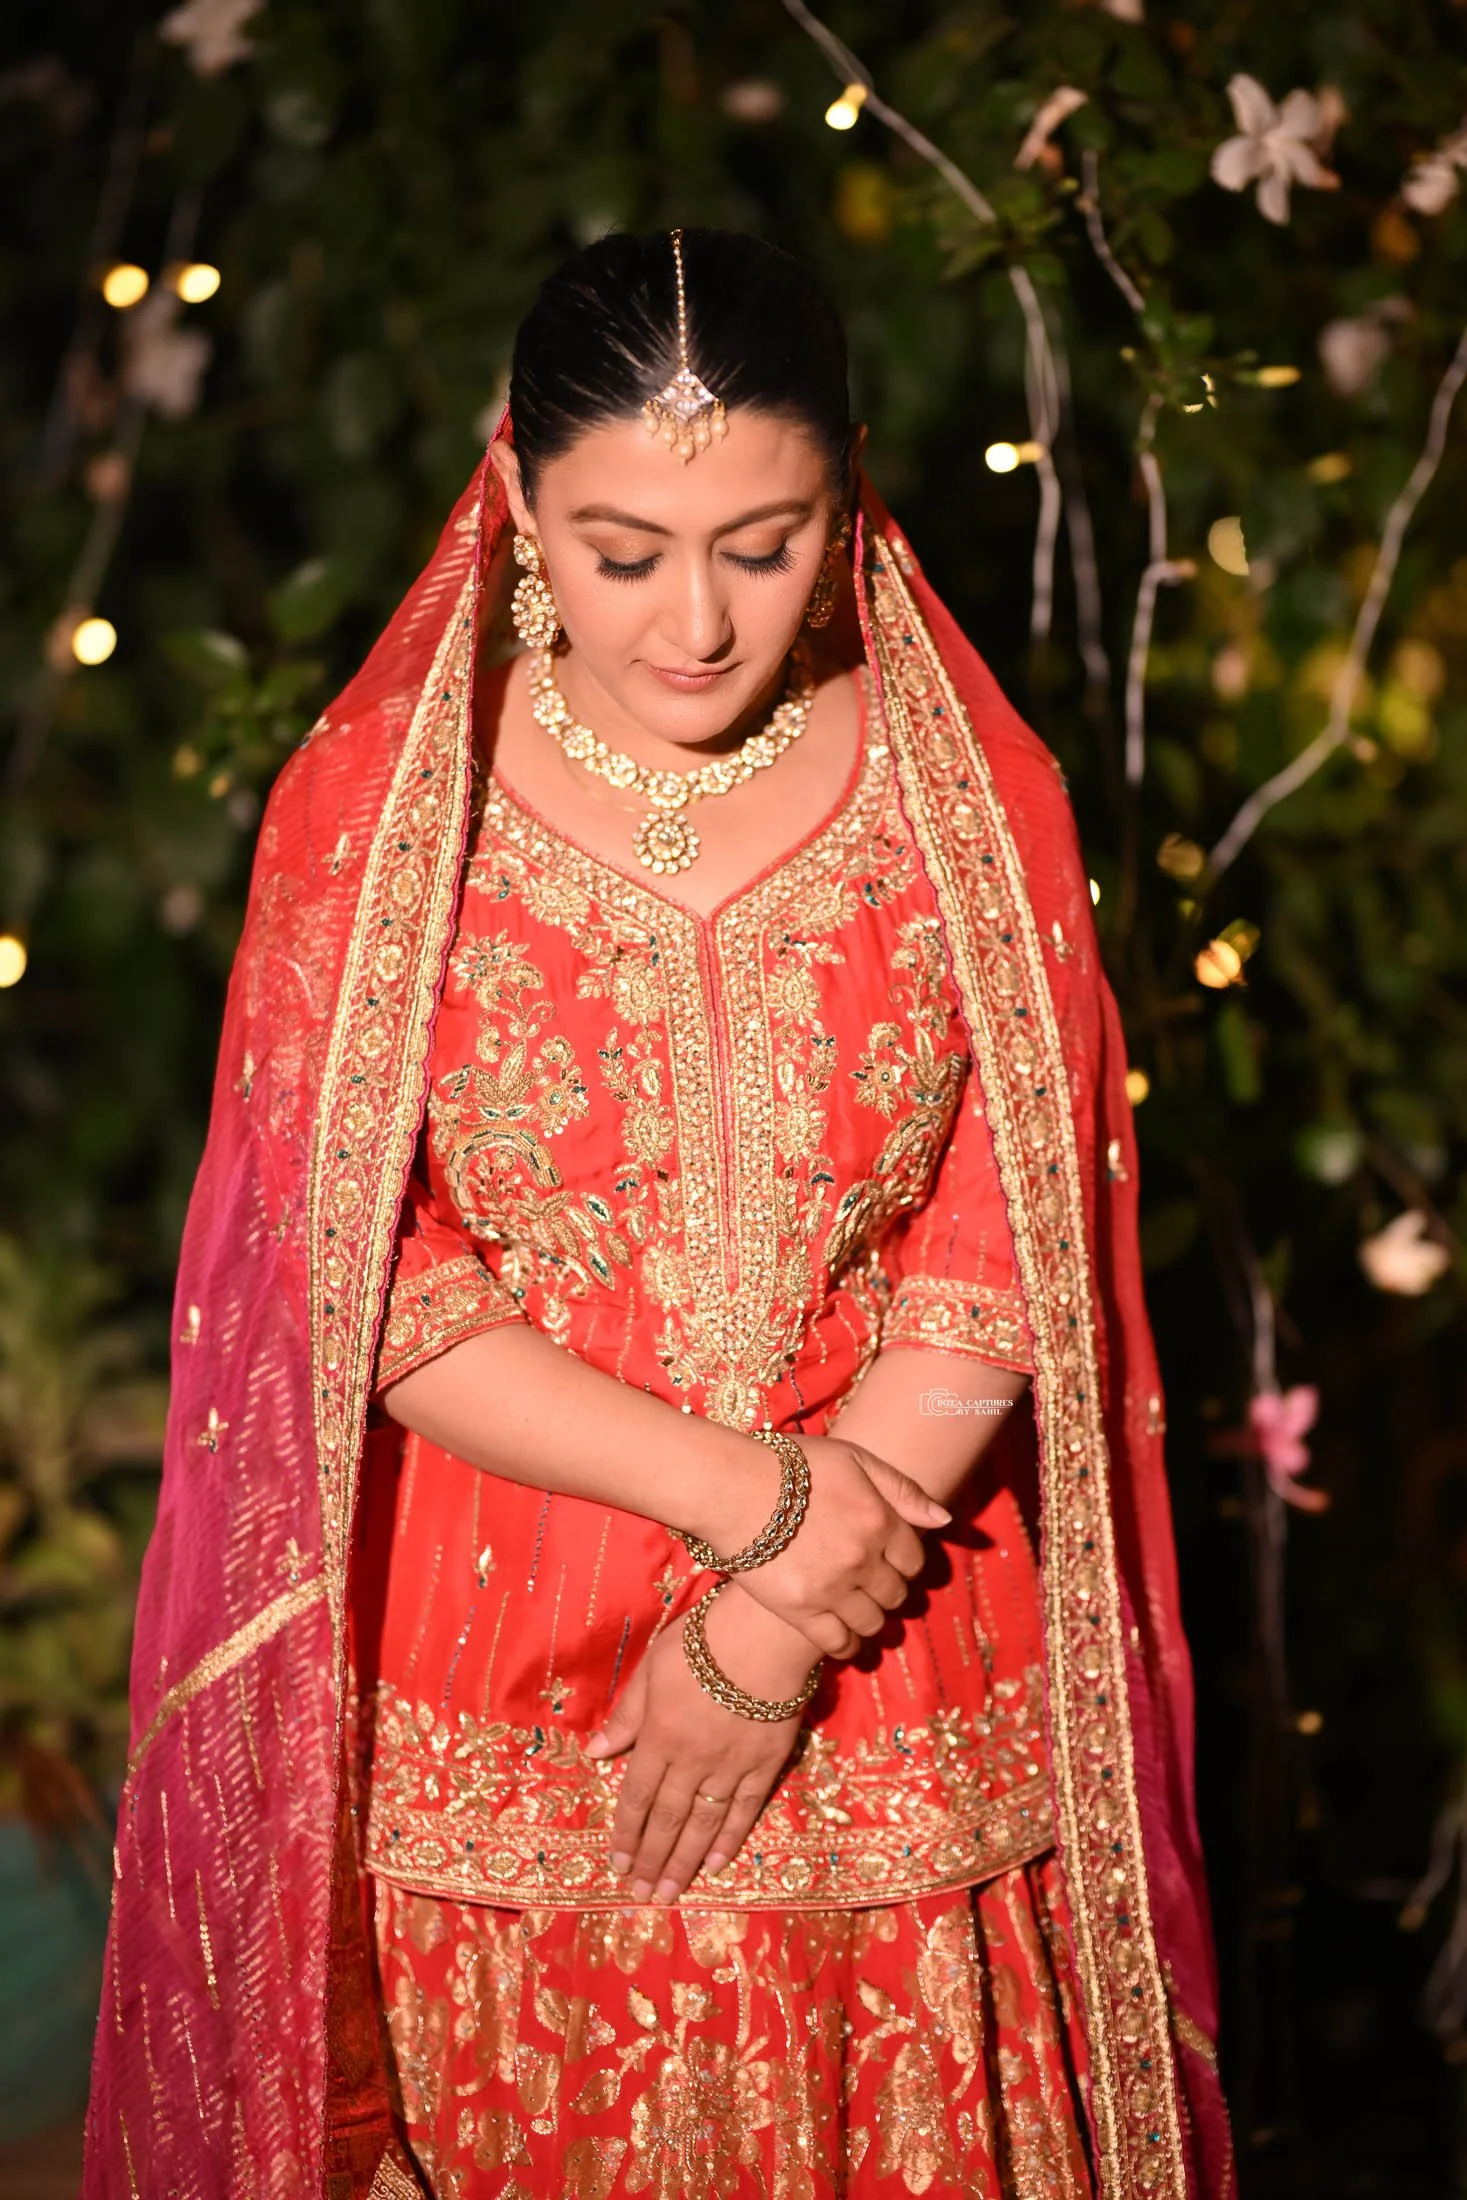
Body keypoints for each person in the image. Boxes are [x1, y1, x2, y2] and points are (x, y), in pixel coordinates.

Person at [83, 228, 1233, 2199]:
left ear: (849, 489)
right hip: (511, 1667)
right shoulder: (373, 817)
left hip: (901, 1636)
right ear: (513, 490)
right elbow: (369, 1274)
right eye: (623, 550)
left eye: (764, 541)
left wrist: (778, 1616)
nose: (694, 621)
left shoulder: (979, 803)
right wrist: (750, 1500)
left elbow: (1001, 1229)